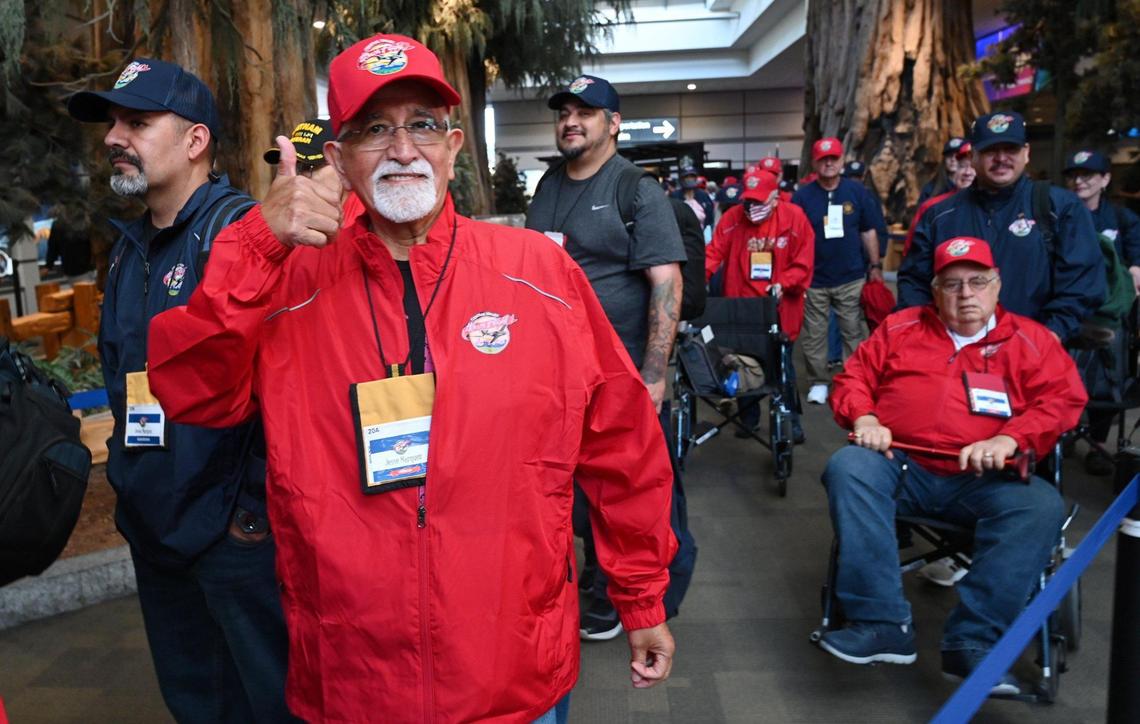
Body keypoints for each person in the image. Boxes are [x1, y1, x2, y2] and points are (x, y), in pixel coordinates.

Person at [146, 36, 677, 722]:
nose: (402, 149)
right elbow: (189, 389)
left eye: (422, 124)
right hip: (354, 678)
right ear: (338, 159)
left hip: (511, 672)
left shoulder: (537, 274)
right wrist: (257, 244)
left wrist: (641, 598)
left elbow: (622, 443)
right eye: (374, 129)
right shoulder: (285, 283)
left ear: (453, 147)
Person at [66, 58, 293, 721]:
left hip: (236, 539)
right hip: (156, 531)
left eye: (138, 122)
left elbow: (286, 392)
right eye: (113, 123)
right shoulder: (130, 249)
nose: (115, 137)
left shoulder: (244, 237)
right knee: (197, 704)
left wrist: (246, 517)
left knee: (271, 703)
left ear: (196, 141)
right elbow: (122, 382)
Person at [820, 237, 1086, 692]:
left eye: (977, 282)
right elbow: (854, 377)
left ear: (997, 285)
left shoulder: (1031, 340)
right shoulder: (901, 328)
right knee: (849, 467)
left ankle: (974, 642)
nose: (966, 294)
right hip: (902, 465)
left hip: (987, 479)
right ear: (935, 290)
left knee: (1040, 506)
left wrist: (1010, 437)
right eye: (952, 284)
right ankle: (882, 623)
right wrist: (865, 418)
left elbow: (1062, 401)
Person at [525, 73, 685, 643]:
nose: (570, 121)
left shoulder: (635, 189)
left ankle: (635, 594)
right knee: (564, 485)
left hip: (621, 371)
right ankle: (588, 577)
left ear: (613, 124)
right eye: (564, 112)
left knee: (628, 490)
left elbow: (666, 282)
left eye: (585, 112)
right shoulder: (548, 185)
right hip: (556, 371)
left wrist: (654, 375)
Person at [898, 111, 1105, 344]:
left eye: (1011, 149)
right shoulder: (940, 215)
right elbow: (914, 283)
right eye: (990, 151)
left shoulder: (1059, 207)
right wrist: (926, 338)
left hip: (1034, 349)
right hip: (954, 351)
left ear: (1026, 153)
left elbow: (1083, 282)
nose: (1001, 158)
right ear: (973, 156)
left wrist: (1051, 335)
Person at [705, 168, 813, 442]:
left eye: (759, 201)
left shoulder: (794, 218)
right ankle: (749, 419)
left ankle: (790, 420)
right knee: (743, 363)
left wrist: (784, 282)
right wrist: (695, 281)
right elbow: (714, 253)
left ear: (775, 197)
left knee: (783, 368)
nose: (752, 208)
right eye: (749, 201)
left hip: (778, 309)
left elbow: (803, 261)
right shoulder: (732, 218)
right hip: (741, 307)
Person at [1065, 149, 1140, 475]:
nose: (1079, 181)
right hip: (1070, 311)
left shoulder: (1123, 219)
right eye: (1074, 175)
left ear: (1105, 179)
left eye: (1088, 175)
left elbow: (1136, 263)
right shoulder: (1060, 213)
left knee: (1106, 382)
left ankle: (1097, 443)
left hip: (1110, 317)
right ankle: (1063, 433)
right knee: (1062, 376)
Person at [791, 137, 883, 405]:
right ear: (815, 163)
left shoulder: (857, 192)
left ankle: (854, 380)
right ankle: (819, 382)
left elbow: (868, 230)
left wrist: (875, 265)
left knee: (853, 331)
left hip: (851, 276)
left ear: (842, 160)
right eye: (823, 159)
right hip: (814, 278)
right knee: (815, 335)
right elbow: (795, 236)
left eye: (833, 158)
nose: (829, 163)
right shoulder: (802, 196)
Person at [902, 142, 975, 257]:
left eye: (973, 167)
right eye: (961, 166)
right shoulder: (932, 207)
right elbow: (912, 253)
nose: (967, 172)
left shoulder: (995, 207)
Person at [917, 136, 966, 205]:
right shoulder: (930, 190)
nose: (953, 159)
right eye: (949, 155)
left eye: (958, 156)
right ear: (944, 159)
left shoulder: (974, 187)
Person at [673, 165, 716, 236]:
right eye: (686, 177)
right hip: (681, 235)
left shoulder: (703, 195)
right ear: (681, 179)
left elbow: (710, 216)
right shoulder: (675, 195)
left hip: (701, 234)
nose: (689, 179)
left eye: (692, 177)